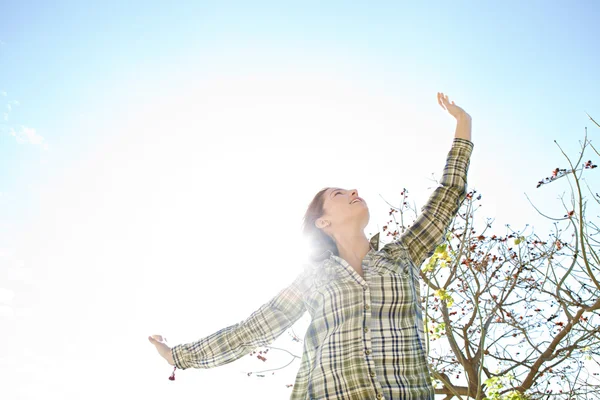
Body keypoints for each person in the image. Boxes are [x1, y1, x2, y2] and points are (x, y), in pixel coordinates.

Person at [149, 92, 474, 399]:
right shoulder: (312, 280)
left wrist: (463, 123)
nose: (352, 191)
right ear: (323, 222)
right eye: (338, 194)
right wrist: (176, 356)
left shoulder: (401, 257)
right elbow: (249, 333)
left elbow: (447, 197)